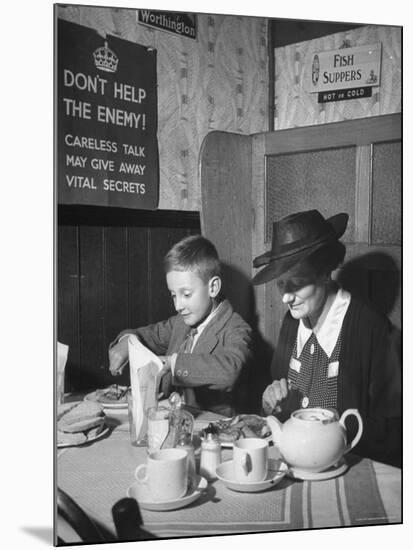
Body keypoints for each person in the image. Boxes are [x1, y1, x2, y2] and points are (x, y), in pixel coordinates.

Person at [252, 210, 401, 466]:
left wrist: (337, 431)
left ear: (324, 274)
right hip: (297, 463)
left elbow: (396, 431)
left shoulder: (371, 328)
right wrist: (272, 402)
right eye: (281, 284)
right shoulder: (292, 321)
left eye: (297, 284)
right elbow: (281, 398)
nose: (286, 298)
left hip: (353, 468)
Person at [108, 234, 253, 416]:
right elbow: (145, 335)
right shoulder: (180, 323)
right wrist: (126, 342)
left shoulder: (236, 328)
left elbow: (231, 369)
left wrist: (172, 363)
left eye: (186, 294)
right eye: (173, 295)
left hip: (212, 432)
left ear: (213, 287)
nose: (178, 306)